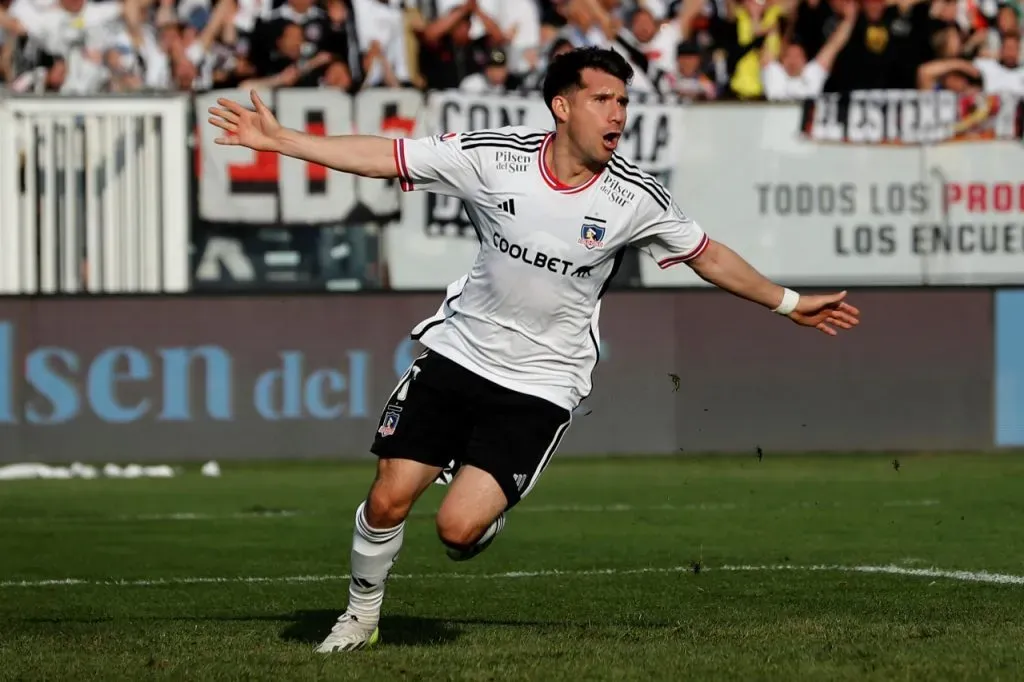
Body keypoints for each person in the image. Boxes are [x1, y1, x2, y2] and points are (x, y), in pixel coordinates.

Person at [207, 46, 861, 653]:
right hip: (459, 353)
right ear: (563, 106)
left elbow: (708, 254)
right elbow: (389, 156)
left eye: (625, 101)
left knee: (456, 531)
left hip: (542, 383)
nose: (619, 113)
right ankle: (360, 615)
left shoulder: (634, 197)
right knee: (387, 500)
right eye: (605, 99)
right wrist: (281, 140)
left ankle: (481, 512)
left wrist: (787, 302)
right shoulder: (496, 157)